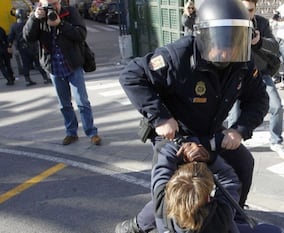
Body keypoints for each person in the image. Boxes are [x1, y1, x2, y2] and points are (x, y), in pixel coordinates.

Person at [117, 0, 269, 231]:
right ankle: (138, 226)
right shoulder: (177, 56)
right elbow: (131, 75)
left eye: (235, 39)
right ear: (204, 35)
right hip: (176, 135)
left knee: (243, 163)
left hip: (211, 132)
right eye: (222, 39)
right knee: (176, 186)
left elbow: (259, 99)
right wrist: (160, 117)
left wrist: (240, 130)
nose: (227, 49)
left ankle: (232, 214)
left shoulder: (243, 62)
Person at [116, 139, 281, 233]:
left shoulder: (162, 206)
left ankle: (132, 227)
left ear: (170, 191)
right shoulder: (222, 214)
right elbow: (229, 178)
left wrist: (177, 144)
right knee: (271, 230)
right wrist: (209, 158)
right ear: (208, 196)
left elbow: (161, 166)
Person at [23, 0, 101, 146]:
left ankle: (92, 132)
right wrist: (34, 18)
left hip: (72, 65)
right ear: (41, 4)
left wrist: (61, 24)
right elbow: (28, 37)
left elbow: (81, 34)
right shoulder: (38, 15)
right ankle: (71, 133)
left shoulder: (70, 12)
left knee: (82, 102)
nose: (52, 7)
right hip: (54, 67)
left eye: (55, 3)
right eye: (48, 4)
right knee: (64, 104)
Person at [228, 0, 284, 160]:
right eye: (242, 9)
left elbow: (275, 47)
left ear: (255, 10)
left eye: (249, 10)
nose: (246, 13)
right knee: (235, 114)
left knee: (276, 107)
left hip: (260, 74)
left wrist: (259, 41)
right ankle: (232, 147)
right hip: (236, 75)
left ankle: (276, 141)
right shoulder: (228, 22)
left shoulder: (261, 23)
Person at [8, 8, 52, 86]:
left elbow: (10, 37)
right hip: (32, 45)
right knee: (38, 63)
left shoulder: (14, 26)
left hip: (22, 47)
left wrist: (10, 46)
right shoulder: (28, 22)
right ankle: (45, 78)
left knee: (25, 64)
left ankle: (27, 80)